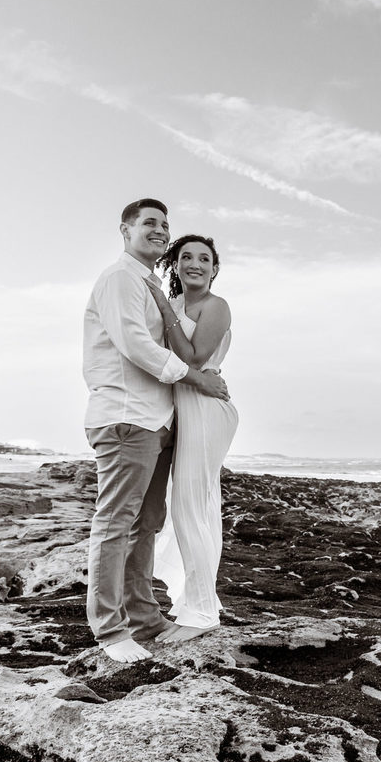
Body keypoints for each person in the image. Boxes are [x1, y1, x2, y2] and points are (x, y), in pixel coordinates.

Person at [82, 199, 229, 663]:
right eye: (149, 223)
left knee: (146, 525)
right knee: (114, 524)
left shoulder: (149, 285)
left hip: (157, 420)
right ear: (125, 230)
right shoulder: (119, 279)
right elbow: (137, 346)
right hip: (127, 418)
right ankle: (110, 630)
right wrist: (196, 377)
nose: (160, 230)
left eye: (165, 225)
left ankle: (144, 618)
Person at [144, 235, 238, 642]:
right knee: (188, 509)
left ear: (215, 269)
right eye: (186, 257)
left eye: (204, 258)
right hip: (182, 408)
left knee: (191, 509)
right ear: (176, 264)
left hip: (207, 409)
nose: (195, 263)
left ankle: (201, 613)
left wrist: (165, 306)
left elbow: (194, 359)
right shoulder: (177, 304)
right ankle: (196, 602)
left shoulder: (215, 306)